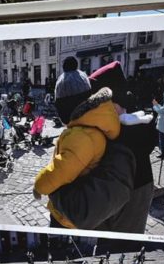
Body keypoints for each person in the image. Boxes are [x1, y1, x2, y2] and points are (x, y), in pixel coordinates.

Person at [34, 57, 121, 228]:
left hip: (67, 213)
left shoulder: (82, 135)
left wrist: (39, 186)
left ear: (66, 106)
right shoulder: (90, 123)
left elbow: (62, 168)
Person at [152, 90, 164, 160]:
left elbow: (160, 111)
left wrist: (155, 105)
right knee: (163, 139)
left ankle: (163, 153)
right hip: (163, 123)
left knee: (162, 139)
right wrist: (156, 105)